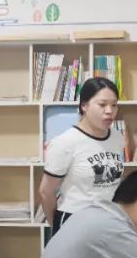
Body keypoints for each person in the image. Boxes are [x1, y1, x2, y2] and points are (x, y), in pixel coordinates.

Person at [38, 77, 125, 236]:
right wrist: (57, 228)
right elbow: (46, 191)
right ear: (84, 105)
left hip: (109, 219)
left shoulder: (117, 138)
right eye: (102, 104)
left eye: (114, 105)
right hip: (74, 220)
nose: (109, 111)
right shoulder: (65, 142)